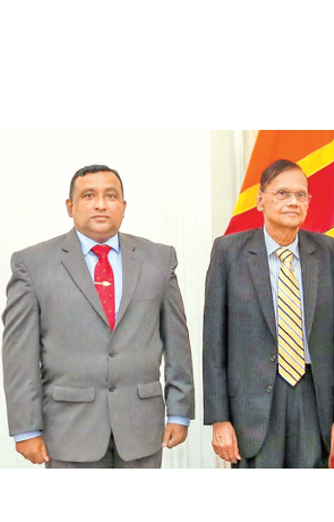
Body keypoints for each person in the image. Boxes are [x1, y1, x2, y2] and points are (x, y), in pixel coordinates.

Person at [2, 164, 194, 468]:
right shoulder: (33, 264)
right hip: (69, 431)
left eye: (111, 195)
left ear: (123, 206)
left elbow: (177, 340)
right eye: (89, 195)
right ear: (70, 206)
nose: (101, 204)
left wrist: (180, 410)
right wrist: (25, 428)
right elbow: (19, 355)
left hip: (141, 429)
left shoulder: (158, 259)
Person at [203, 159, 334, 468]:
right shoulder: (229, 252)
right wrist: (219, 419)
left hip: (312, 399)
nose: (293, 202)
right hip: (252, 405)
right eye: (282, 193)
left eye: (301, 195)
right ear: (260, 199)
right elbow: (214, 344)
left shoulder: (329, 252)